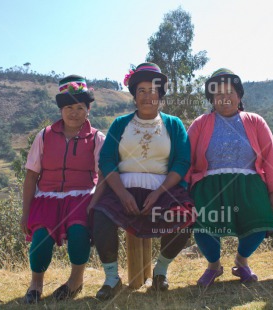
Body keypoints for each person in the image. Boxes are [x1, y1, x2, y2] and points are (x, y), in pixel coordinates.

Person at [89, 62, 195, 299]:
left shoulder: (173, 124)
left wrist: (158, 193)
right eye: (142, 91)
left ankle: (160, 271)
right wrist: (122, 194)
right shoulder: (120, 123)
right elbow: (107, 160)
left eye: (153, 90)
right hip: (121, 188)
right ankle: (111, 278)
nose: (148, 96)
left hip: (162, 189)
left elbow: (182, 162)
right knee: (100, 214)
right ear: (134, 97)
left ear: (161, 95)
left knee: (186, 216)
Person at [186, 68, 273, 287]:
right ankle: (213, 266)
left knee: (260, 221)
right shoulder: (200, 123)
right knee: (203, 226)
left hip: (249, 184)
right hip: (210, 185)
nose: (224, 97)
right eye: (217, 94)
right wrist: (184, 190)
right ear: (212, 99)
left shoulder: (255, 121)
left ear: (239, 96)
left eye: (229, 92)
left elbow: (270, 157)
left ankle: (241, 261)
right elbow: (186, 159)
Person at [20, 75, 105, 303]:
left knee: (78, 234)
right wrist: (25, 212)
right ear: (61, 109)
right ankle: (36, 283)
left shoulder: (97, 138)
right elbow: (31, 175)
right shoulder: (44, 136)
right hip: (47, 198)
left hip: (82, 197)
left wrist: (96, 205)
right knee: (40, 239)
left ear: (88, 109)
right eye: (69, 107)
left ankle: (75, 281)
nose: (74, 112)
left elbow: (104, 176)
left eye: (80, 107)